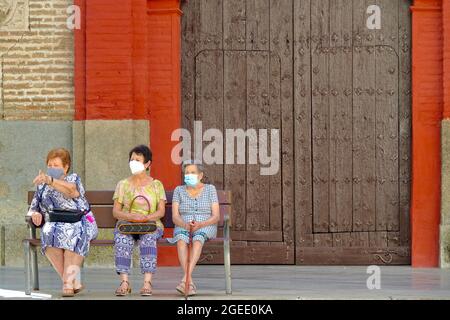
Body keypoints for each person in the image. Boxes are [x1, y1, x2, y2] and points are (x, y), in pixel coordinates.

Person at [28, 148, 98, 297]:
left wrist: (50, 180)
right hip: (55, 223)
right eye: (50, 165)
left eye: (56, 165)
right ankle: (73, 281)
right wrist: (34, 213)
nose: (52, 168)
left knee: (71, 233)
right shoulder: (41, 185)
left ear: (65, 167)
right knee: (48, 232)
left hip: (81, 220)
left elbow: (71, 191)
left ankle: (67, 284)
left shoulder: (73, 179)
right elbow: (33, 207)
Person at [112, 145, 166, 296]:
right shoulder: (123, 184)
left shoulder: (156, 185)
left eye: (138, 160)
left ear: (147, 164)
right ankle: (124, 282)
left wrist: (146, 217)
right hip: (127, 224)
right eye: (131, 160)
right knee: (122, 239)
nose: (133, 162)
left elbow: (161, 211)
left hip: (151, 223)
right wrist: (130, 216)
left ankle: (147, 282)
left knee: (148, 239)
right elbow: (116, 211)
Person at [167, 160, 220, 296]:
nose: (188, 175)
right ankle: (189, 283)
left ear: (200, 175)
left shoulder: (210, 189)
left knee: (198, 239)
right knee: (180, 239)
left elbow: (216, 216)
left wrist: (200, 225)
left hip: (206, 225)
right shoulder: (179, 190)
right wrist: (185, 225)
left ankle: (185, 279)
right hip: (183, 224)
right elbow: (175, 216)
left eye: (192, 172)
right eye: (186, 173)